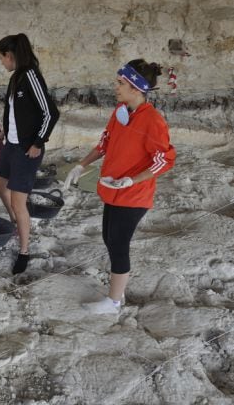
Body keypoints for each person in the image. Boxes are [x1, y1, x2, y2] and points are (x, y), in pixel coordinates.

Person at [63, 59, 175, 315]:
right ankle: (119, 290)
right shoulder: (121, 111)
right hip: (112, 189)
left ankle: (113, 302)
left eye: (120, 83)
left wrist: (132, 180)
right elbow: (105, 142)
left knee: (118, 243)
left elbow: (164, 160)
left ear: (136, 88)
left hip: (133, 194)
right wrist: (81, 165)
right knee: (108, 238)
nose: (116, 87)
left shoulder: (153, 122)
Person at [0, 33, 60, 275]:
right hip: (12, 145)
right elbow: (12, 114)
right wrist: (0, 137)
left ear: (10, 55)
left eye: (1, 57)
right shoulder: (16, 78)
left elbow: (51, 113)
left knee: (19, 202)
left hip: (27, 149)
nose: (1, 62)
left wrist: (38, 142)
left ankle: (24, 250)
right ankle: (18, 222)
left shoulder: (30, 75)